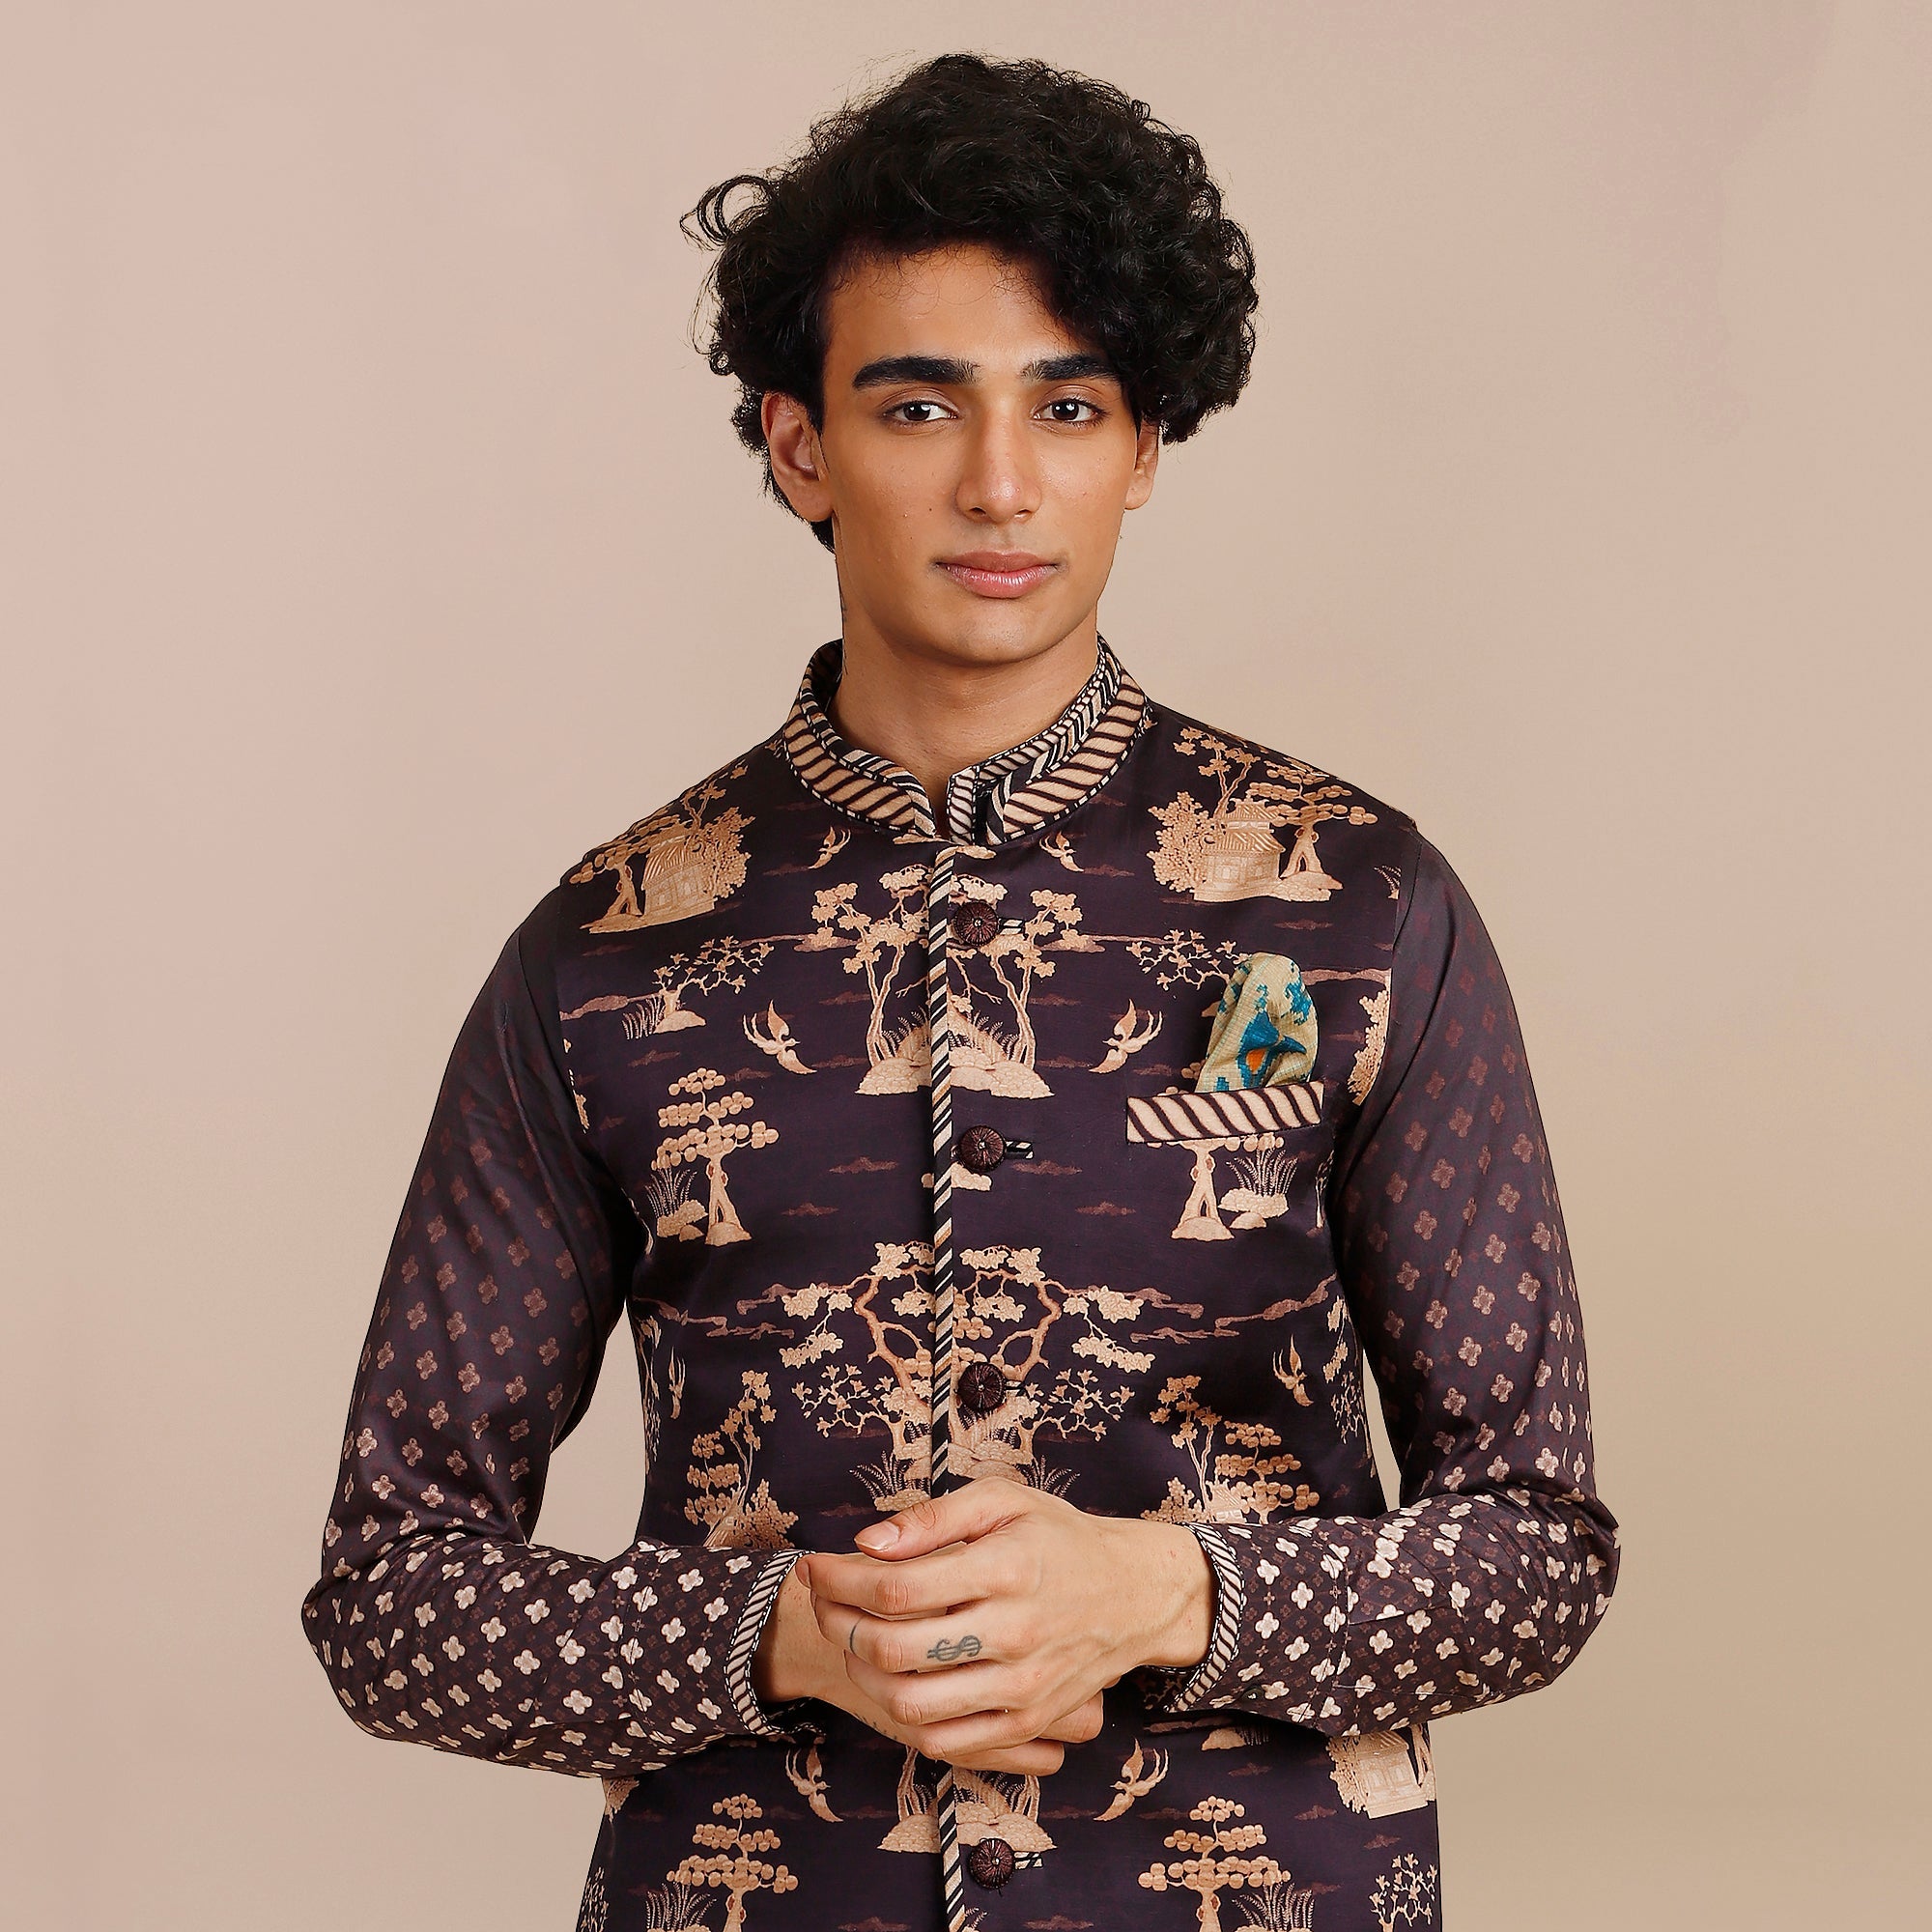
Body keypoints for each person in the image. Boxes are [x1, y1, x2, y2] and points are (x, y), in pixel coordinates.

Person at [300, 53, 1619, 1931]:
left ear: (1141, 447)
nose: (1001, 484)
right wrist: (783, 1636)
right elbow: (389, 1596)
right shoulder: (605, 955)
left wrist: (1174, 1597)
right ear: (800, 447)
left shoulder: (1360, 908)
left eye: (1067, 406)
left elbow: (1539, 1549)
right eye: (918, 405)